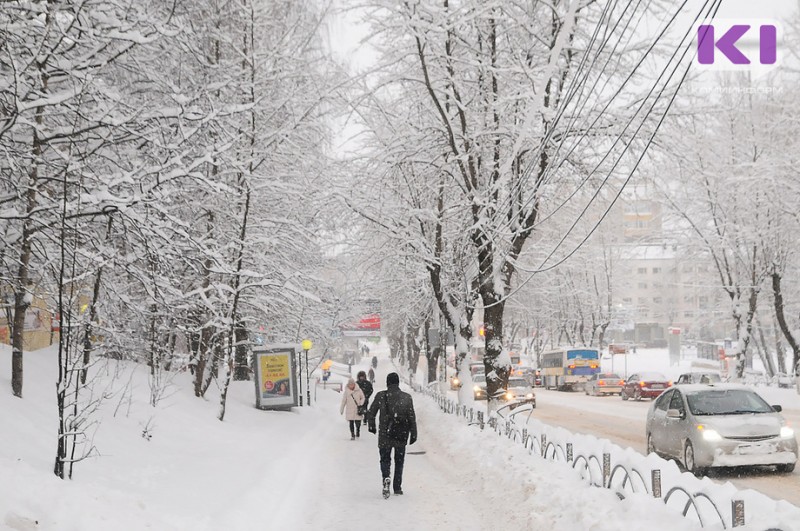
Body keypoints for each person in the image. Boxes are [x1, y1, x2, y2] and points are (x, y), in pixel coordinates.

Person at [367, 372, 417, 498]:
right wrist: (414, 433)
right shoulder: (406, 397)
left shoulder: (381, 396)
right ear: (398, 383)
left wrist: (372, 426)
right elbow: (411, 417)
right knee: (399, 461)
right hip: (401, 434)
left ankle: (386, 477)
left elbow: (371, 412)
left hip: (385, 434)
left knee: (385, 459)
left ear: (387, 383)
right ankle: (397, 487)